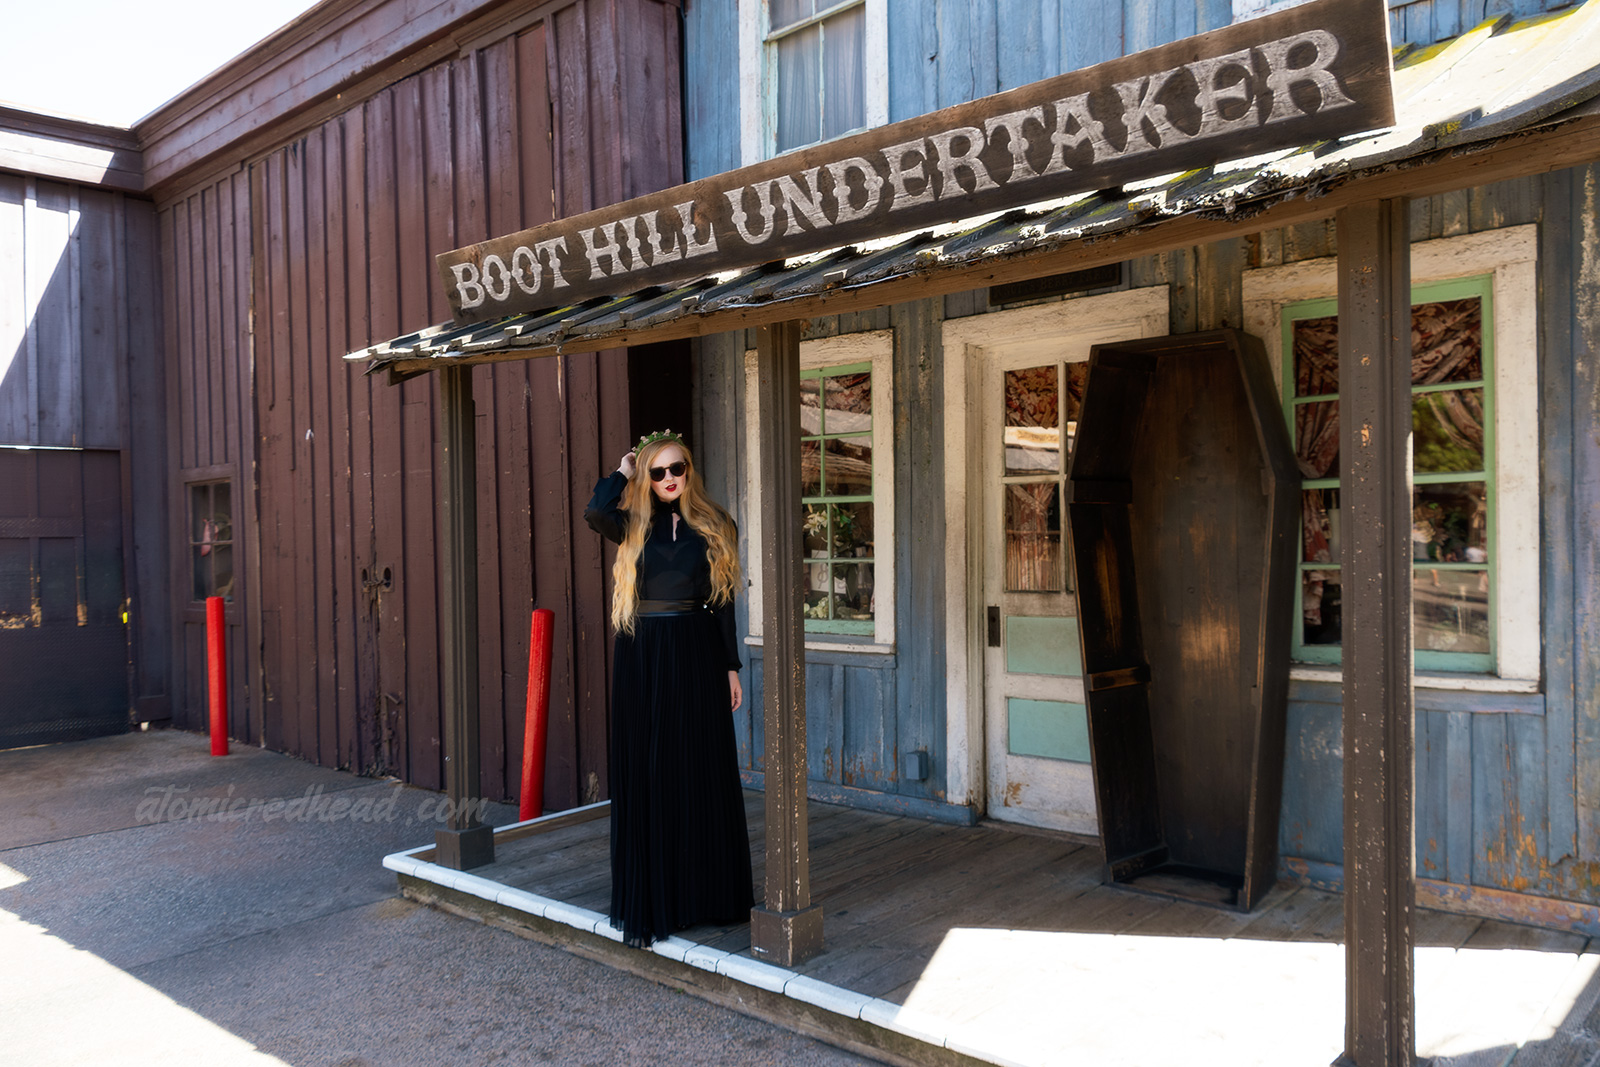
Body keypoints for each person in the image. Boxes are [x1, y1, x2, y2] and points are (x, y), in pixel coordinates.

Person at [583, 430, 754, 948]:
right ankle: (661, 897)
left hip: (697, 650)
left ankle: (705, 895)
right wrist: (624, 471)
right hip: (645, 653)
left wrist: (731, 667)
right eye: (657, 472)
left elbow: (723, 602)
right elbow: (595, 511)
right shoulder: (633, 523)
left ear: (690, 471)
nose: (668, 480)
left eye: (675, 470)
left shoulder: (717, 522)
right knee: (654, 768)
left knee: (699, 766)